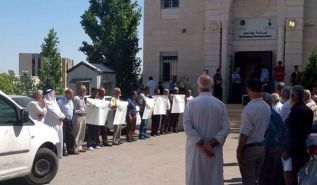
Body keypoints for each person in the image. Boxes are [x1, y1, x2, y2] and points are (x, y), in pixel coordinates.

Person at [183, 74, 230, 185]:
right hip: (214, 150)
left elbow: (188, 128)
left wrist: (203, 144)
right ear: (212, 86)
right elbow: (226, 128)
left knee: (196, 178)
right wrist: (210, 144)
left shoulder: (191, 104)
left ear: (198, 86)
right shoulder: (220, 105)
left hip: (196, 151)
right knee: (213, 179)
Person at [236, 79, 271, 185]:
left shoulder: (249, 108)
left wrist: (239, 149)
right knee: (257, 180)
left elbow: (245, 132)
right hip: (261, 146)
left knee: (248, 180)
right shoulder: (267, 107)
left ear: (250, 90)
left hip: (249, 148)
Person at [283, 85, 313, 185]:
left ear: (293, 96)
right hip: (304, 149)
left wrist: (287, 151)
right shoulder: (308, 110)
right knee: (302, 177)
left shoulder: (295, 111)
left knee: (292, 178)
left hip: (294, 151)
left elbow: (291, 132)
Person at [259, 93, 286, 185]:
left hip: (269, 151)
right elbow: (284, 131)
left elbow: (271, 131)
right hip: (276, 151)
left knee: (267, 178)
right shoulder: (276, 115)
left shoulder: (267, 115)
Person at [44, 89, 65, 158]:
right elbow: (54, 113)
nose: (54, 95)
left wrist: (62, 116)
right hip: (51, 125)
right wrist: (61, 116)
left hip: (58, 125)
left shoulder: (54, 102)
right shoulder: (47, 103)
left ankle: (59, 154)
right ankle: (52, 156)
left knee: (59, 140)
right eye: (53, 94)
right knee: (53, 141)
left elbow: (60, 112)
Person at [57, 88, 78, 156]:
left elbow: (71, 110)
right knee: (63, 136)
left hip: (70, 120)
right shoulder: (60, 102)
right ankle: (62, 151)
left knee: (70, 135)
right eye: (70, 94)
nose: (72, 96)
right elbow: (58, 111)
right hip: (63, 120)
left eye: (72, 95)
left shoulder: (71, 101)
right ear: (66, 94)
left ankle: (70, 149)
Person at [72, 85, 87, 152]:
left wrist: (84, 111)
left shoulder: (83, 98)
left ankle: (80, 146)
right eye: (84, 90)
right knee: (77, 132)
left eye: (85, 90)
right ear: (80, 90)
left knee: (82, 132)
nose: (85, 91)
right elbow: (73, 109)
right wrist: (82, 111)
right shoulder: (76, 98)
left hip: (83, 116)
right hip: (77, 116)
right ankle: (75, 147)